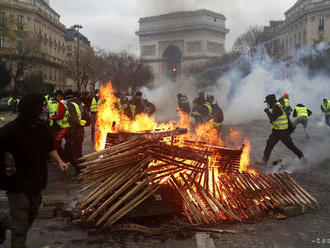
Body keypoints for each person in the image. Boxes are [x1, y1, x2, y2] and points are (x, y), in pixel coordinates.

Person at [0, 93, 68, 247]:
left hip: (36, 181)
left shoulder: (42, 128)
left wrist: (60, 162)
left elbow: (49, 147)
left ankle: (3, 222)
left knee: (29, 218)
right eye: (41, 106)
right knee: (20, 229)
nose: (44, 109)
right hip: (16, 184)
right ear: (32, 109)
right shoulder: (10, 131)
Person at [262, 94, 305, 165]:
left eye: (267, 102)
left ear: (271, 101)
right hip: (276, 131)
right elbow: (274, 120)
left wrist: (267, 111)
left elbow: (273, 118)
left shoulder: (277, 107)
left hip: (283, 132)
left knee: (291, 146)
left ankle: (302, 158)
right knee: (269, 145)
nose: (267, 104)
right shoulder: (274, 106)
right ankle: (264, 162)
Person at [65, 91, 89, 173]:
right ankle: (82, 166)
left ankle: (79, 169)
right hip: (80, 130)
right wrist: (83, 123)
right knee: (78, 150)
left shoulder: (70, 104)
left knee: (69, 150)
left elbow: (75, 119)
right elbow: (87, 118)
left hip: (74, 130)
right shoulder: (80, 104)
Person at [50, 90, 70, 162]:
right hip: (68, 125)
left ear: (59, 96)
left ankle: (64, 157)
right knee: (68, 142)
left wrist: (52, 118)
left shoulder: (61, 103)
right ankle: (69, 156)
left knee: (57, 141)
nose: (56, 98)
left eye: (56, 96)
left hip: (64, 126)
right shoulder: (65, 102)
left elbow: (60, 116)